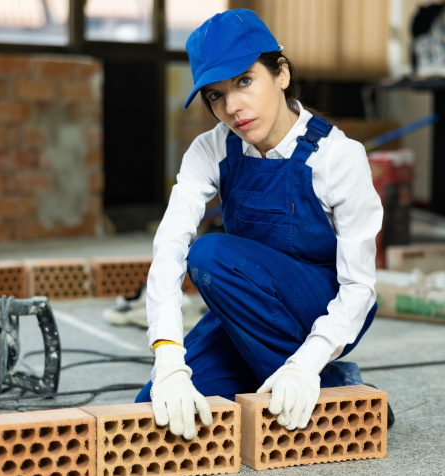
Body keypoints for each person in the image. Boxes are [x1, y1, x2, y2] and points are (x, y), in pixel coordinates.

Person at [134, 9, 383, 440]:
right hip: (246, 307)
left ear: (281, 73)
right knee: (155, 412)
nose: (232, 107)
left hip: (321, 303)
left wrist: (307, 363)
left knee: (212, 254)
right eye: (215, 95)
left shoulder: (339, 157)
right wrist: (169, 359)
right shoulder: (210, 149)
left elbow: (360, 287)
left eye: (244, 81)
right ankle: (336, 385)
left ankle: (314, 373)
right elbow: (169, 246)